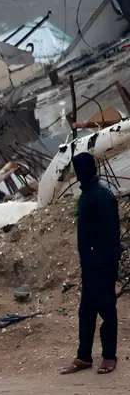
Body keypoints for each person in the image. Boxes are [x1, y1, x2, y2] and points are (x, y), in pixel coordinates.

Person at [61, 153, 121, 375]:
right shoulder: (88, 194)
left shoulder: (101, 196)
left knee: (106, 310)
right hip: (90, 266)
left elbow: (110, 235)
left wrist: (105, 263)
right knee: (86, 310)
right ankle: (84, 356)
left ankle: (109, 356)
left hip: (102, 265)